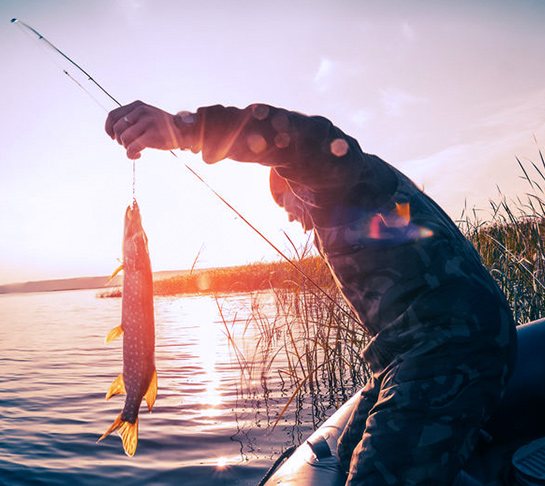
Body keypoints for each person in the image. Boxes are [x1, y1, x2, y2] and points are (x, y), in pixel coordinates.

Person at [104, 101, 517, 486]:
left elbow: (299, 137)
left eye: (289, 203)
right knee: (347, 448)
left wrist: (184, 129)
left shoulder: (343, 173)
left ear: (300, 180)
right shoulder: (356, 207)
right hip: (409, 352)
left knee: (376, 475)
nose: (294, 220)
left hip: (453, 343)